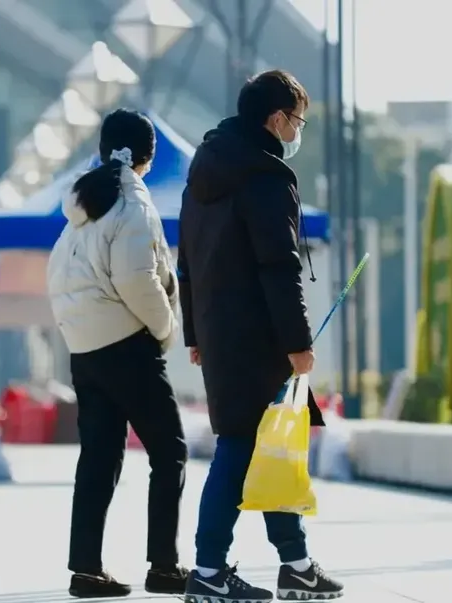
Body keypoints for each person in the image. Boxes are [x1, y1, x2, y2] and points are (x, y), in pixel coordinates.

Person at [178, 69, 344, 602]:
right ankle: (207, 572)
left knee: (271, 447)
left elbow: (188, 265)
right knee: (243, 447)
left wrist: (195, 333)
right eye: (297, 119)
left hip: (221, 333)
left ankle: (295, 564)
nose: (297, 130)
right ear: (276, 118)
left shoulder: (203, 171)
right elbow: (278, 265)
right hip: (259, 337)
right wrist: (298, 343)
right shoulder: (267, 176)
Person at [47, 108, 189, 599]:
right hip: (127, 345)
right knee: (170, 452)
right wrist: (165, 328)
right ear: (148, 157)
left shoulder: (83, 203)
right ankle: (164, 566)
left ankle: (85, 570)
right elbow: (137, 278)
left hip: (84, 348)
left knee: (100, 457)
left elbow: (61, 273)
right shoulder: (132, 202)